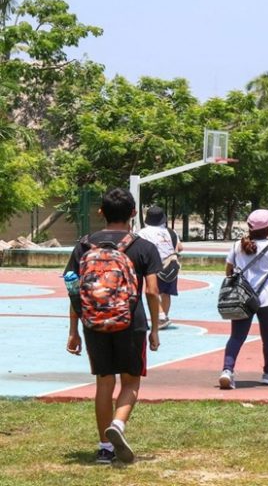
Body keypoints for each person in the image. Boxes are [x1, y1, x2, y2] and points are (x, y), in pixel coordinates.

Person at [64, 188, 162, 465]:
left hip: (93, 323)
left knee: (104, 382)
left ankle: (105, 449)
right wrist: (155, 328)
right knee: (131, 381)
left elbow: (74, 290)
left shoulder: (84, 246)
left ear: (101, 212)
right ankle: (118, 424)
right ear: (133, 213)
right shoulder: (143, 247)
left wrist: (73, 331)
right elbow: (152, 291)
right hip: (131, 322)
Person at [219, 209, 268, 389]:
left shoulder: (237, 245)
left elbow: (229, 270)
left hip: (243, 298)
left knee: (237, 336)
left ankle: (227, 370)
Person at [136, 206, 183, 329]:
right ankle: (164, 317)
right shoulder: (171, 232)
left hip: (155, 265)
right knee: (166, 293)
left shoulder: (143, 232)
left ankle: (161, 317)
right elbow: (180, 247)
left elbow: (140, 247)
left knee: (154, 291)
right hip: (172, 265)